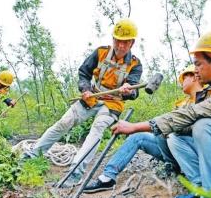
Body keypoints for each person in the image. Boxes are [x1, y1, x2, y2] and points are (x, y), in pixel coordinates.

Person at [106, 31, 211, 198]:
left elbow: (191, 115)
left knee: (203, 125)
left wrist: (135, 127)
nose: (195, 70)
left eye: (198, 64)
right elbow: (182, 122)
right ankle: (201, 189)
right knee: (177, 134)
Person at [22, 18, 143, 187]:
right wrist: (85, 89)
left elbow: (134, 90)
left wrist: (129, 90)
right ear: (113, 39)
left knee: (97, 129)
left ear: (132, 43)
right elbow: (83, 73)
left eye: (126, 42)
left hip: (112, 105)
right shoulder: (100, 52)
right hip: (91, 97)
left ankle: (75, 172)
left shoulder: (135, 64)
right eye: (118, 41)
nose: (121, 46)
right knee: (64, 122)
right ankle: (33, 154)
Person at [83, 64, 203, 193]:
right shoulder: (182, 103)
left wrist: (153, 127)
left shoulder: (204, 100)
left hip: (190, 150)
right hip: (172, 147)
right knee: (138, 137)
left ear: (194, 77)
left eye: (184, 78)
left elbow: (182, 127)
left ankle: (188, 174)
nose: (181, 83)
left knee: (167, 132)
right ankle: (107, 178)